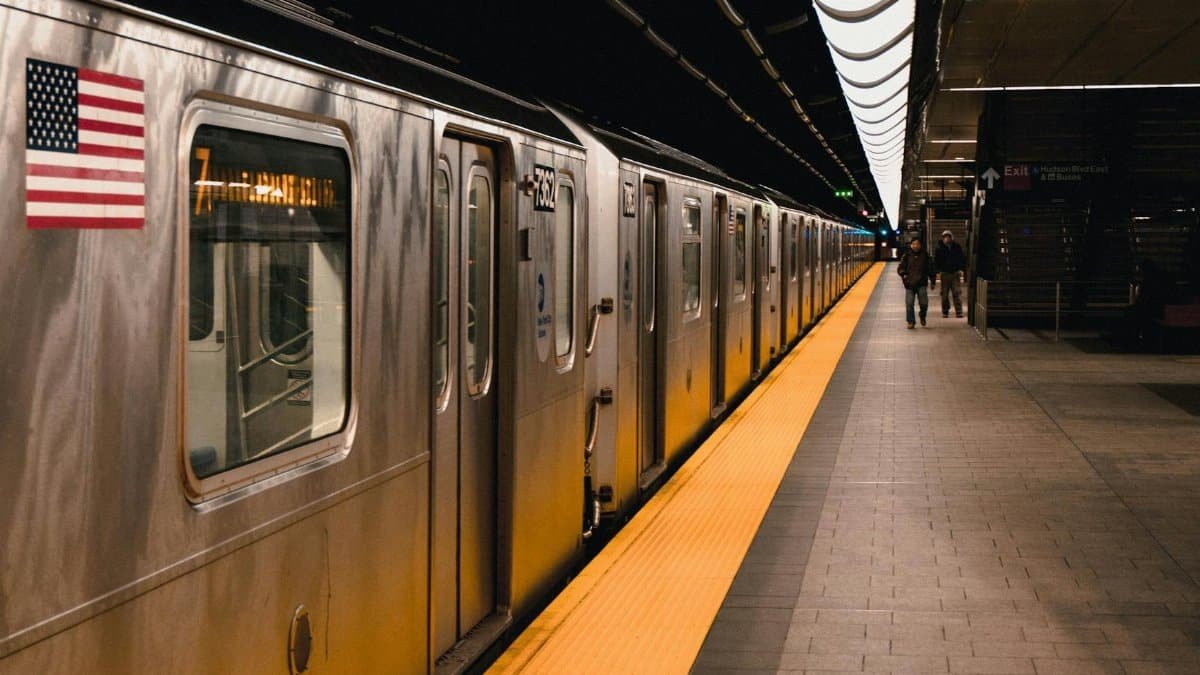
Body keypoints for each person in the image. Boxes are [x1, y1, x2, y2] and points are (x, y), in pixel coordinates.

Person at [898, 237, 935, 329]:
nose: (915, 246)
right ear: (911, 245)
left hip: (922, 283)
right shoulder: (906, 256)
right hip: (909, 284)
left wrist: (933, 280)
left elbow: (930, 269)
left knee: (924, 303)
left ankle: (922, 315)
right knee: (909, 303)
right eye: (913, 244)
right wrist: (904, 275)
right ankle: (911, 321)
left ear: (920, 245)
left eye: (917, 244)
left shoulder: (925, 256)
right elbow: (900, 268)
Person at [934, 230, 966, 318]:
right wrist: (937, 271)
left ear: (952, 238)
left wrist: (961, 269)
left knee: (957, 293)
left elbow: (961, 258)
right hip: (944, 273)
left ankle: (959, 311)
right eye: (945, 237)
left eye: (948, 237)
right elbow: (936, 261)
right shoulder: (939, 248)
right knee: (944, 294)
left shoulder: (957, 247)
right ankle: (945, 311)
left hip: (955, 273)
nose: (947, 238)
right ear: (943, 238)